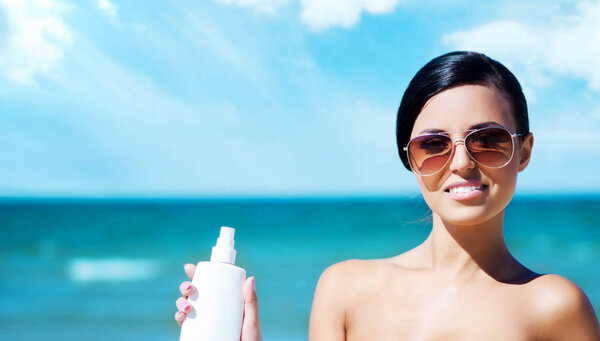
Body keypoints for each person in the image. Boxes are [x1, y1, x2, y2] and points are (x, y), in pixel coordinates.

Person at [174, 51, 600, 340]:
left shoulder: (556, 306)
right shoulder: (344, 289)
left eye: (488, 139)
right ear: (410, 160)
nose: (462, 163)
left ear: (523, 151)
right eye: (433, 145)